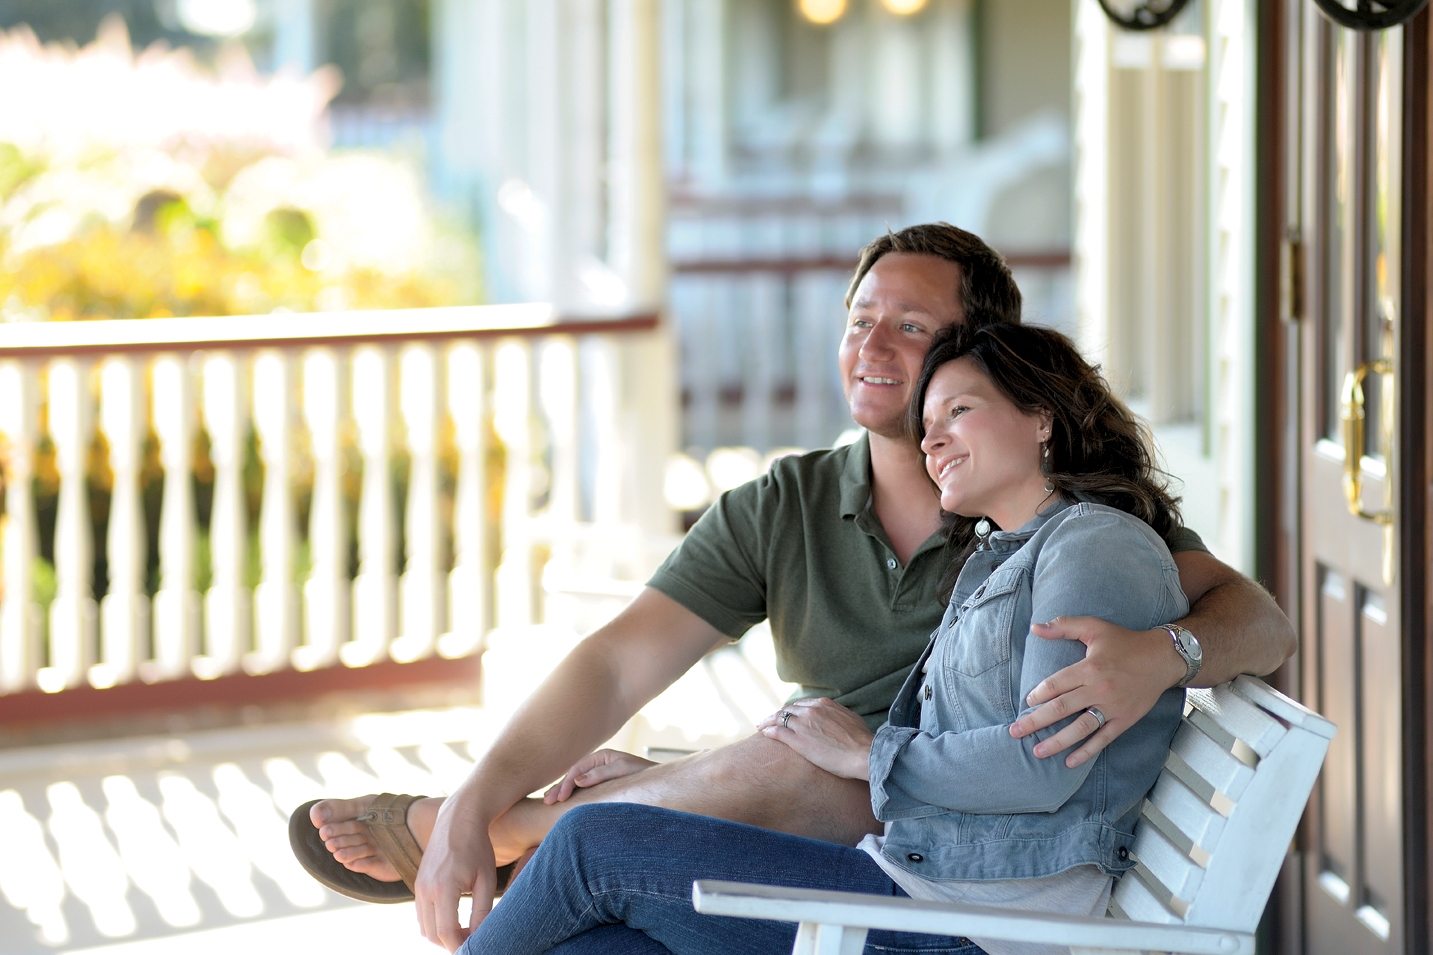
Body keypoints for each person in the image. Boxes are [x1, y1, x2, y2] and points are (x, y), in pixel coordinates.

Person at [299, 224, 1296, 952]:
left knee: (729, 779)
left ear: (979, 356)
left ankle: (530, 832)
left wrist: (1167, 655)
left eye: (910, 327)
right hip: (850, 844)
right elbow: (615, 663)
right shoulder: (790, 503)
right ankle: (514, 822)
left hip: (926, 858)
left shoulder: (1053, 529)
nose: (871, 349)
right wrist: (481, 793)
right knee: (607, 918)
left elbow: (1254, 617)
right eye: (859, 319)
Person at [453, 320, 1194, 955]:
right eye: (927, 422)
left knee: (591, 843)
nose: (931, 438)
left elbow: (1041, 766)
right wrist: (661, 774)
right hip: (926, 885)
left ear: (1041, 417)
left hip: (973, 923)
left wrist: (868, 753)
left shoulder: (1093, 547)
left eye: (959, 410)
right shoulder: (1002, 555)